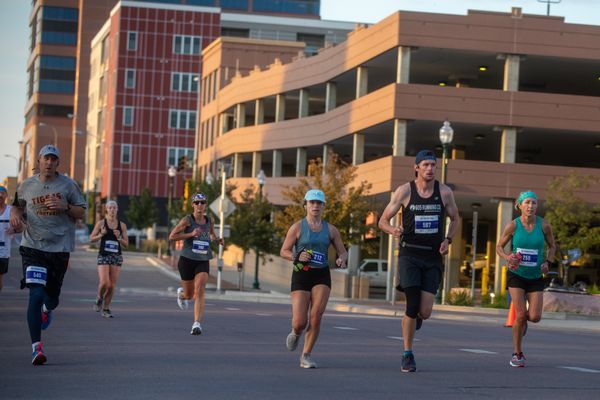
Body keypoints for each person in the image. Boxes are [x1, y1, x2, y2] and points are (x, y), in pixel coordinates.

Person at [378, 149, 459, 373]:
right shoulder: (404, 191)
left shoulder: (444, 192)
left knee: (425, 312)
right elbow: (382, 221)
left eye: (433, 165)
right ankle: (407, 353)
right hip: (409, 254)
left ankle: (414, 319)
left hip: (432, 256)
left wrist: (448, 239)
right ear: (416, 168)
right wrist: (393, 229)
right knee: (412, 306)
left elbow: (455, 219)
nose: (430, 169)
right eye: (425, 165)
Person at [9, 145, 86, 365]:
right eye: (46, 159)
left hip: (59, 248)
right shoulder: (27, 185)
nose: (49, 163)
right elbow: (17, 207)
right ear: (39, 160)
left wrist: (66, 206)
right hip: (32, 246)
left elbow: (81, 211)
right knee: (35, 293)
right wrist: (15, 217)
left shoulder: (68, 185)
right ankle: (36, 348)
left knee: (51, 297)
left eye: (54, 159)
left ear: (58, 164)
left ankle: (47, 309)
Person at [280, 189, 348, 369]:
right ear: (305, 205)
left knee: (316, 316)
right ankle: (295, 332)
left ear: (324, 206)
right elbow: (283, 250)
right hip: (302, 273)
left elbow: (342, 250)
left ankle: (306, 355)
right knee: (300, 321)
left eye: (319, 203)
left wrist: (342, 258)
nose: (315, 206)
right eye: (312, 203)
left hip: (321, 274)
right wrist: (296, 256)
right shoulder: (297, 227)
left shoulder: (331, 229)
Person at [496, 191, 556, 368]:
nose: (531, 206)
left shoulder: (544, 225)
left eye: (534, 203)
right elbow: (499, 246)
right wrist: (508, 257)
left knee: (535, 317)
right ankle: (517, 353)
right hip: (517, 275)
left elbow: (552, 246)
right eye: (527, 203)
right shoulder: (512, 226)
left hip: (536, 275)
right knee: (520, 315)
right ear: (519, 206)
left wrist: (548, 261)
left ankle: (522, 324)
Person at [168, 193, 223, 335]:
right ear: (192, 205)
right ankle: (182, 295)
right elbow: (172, 236)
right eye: (197, 202)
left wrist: (217, 239)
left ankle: (196, 324)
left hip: (203, 259)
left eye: (202, 202)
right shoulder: (187, 220)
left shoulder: (209, 220)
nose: (200, 205)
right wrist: (190, 234)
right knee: (189, 294)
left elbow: (211, 234)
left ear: (205, 205)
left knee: (200, 290)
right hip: (187, 260)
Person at [89, 200, 129, 318]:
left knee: (111, 285)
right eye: (110, 207)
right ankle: (99, 298)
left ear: (117, 210)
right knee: (104, 282)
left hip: (116, 256)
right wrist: (101, 235)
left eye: (114, 208)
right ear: (106, 209)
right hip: (104, 255)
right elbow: (91, 239)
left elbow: (126, 244)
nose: (112, 210)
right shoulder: (101, 223)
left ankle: (106, 309)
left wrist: (119, 237)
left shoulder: (122, 225)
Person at [0, 185, 14, 292]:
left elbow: (21, 226)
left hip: (3, 250)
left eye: (2, 193)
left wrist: (13, 229)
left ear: (6, 196)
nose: (0, 195)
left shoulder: (11, 210)